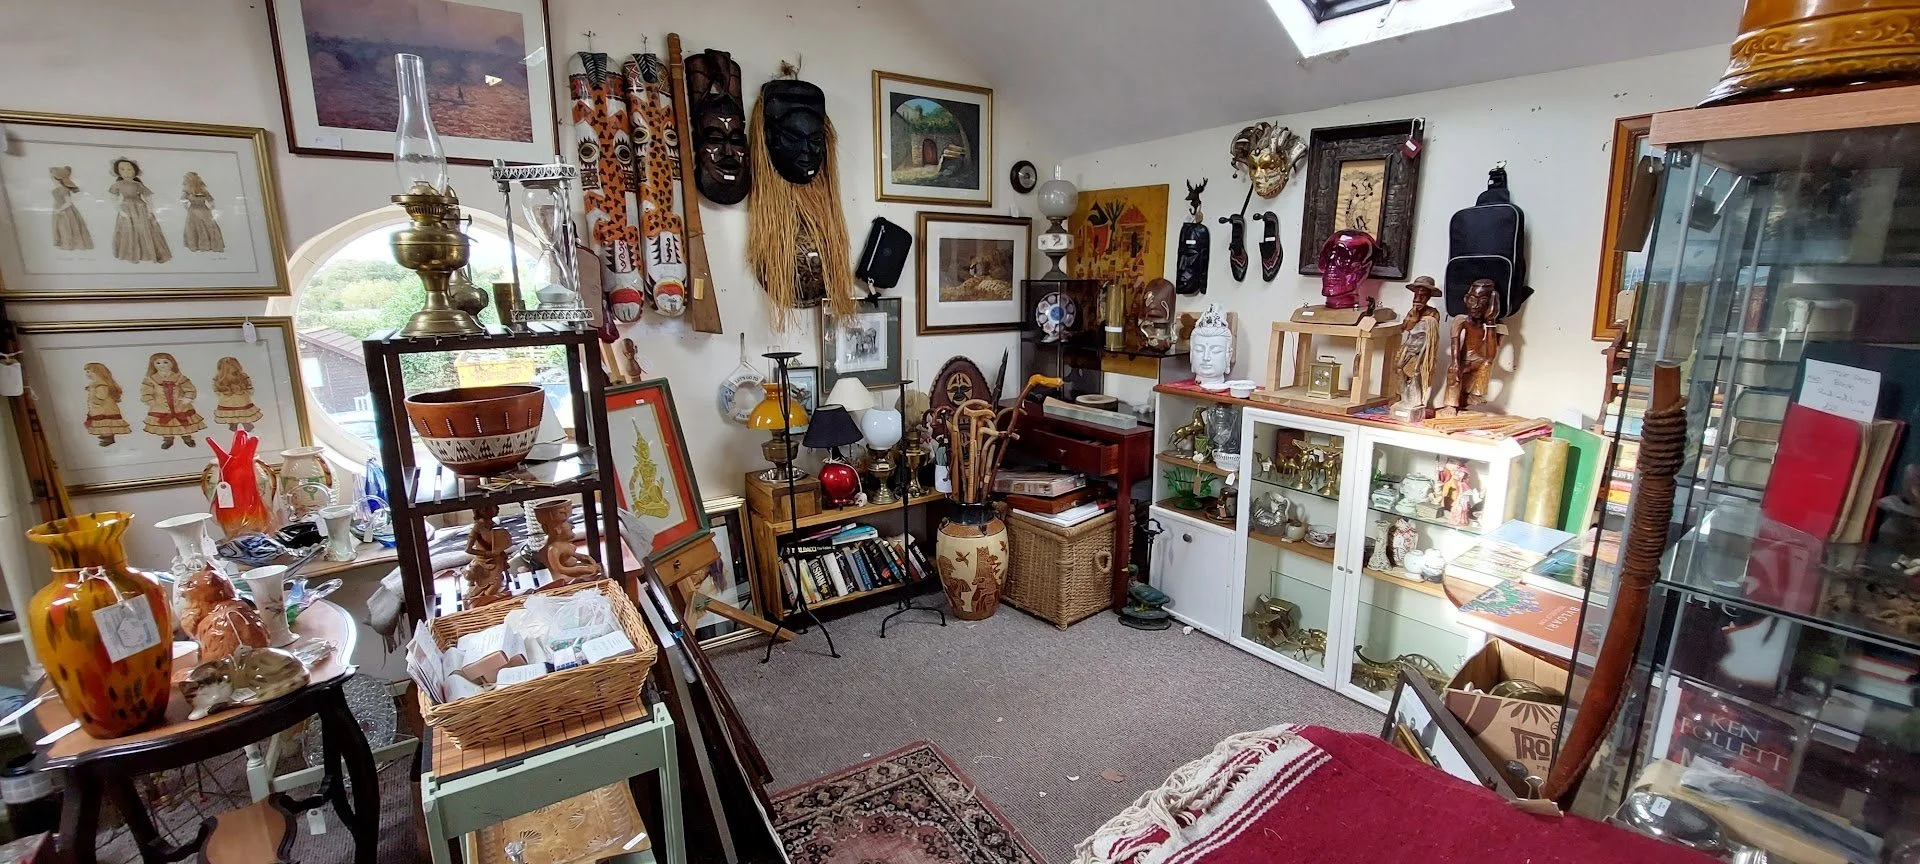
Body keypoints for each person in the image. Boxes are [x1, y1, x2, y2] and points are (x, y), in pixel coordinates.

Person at [109, 157, 171, 264]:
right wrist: (120, 211)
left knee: (144, 229)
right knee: (129, 230)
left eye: (129, 169)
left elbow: (148, 197)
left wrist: (149, 210)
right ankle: (131, 254)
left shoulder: (138, 184)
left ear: (135, 171)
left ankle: (146, 253)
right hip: (126, 209)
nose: (126, 172)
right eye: (122, 169)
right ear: (118, 172)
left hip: (140, 209)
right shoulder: (117, 185)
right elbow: (113, 199)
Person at [140, 352, 205, 448]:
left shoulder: (180, 377)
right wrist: (149, 400)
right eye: (158, 363)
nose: (162, 365)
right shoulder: (150, 380)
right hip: (161, 408)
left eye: (165, 362)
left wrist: (188, 397)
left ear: (172, 363)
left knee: (184, 424)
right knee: (165, 426)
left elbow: (190, 389)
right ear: (153, 365)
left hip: (180, 406)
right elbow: (145, 392)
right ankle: (168, 440)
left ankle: (187, 438)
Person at [82, 362, 131, 446]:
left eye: (88, 372)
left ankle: (109, 438)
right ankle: (105, 435)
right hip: (99, 408)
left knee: (106, 423)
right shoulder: (95, 383)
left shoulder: (101, 384)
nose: (87, 374)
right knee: (103, 424)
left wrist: (94, 398)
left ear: (97, 373)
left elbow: (101, 397)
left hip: (105, 409)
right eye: (86, 372)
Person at [211, 356, 261, 431]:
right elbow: (248, 387)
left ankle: (236, 431)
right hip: (241, 401)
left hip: (227, 402)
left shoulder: (219, 379)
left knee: (232, 419)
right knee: (244, 419)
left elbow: (217, 390)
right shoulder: (242, 376)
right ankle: (247, 431)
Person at [50, 167, 93, 251]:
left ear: (57, 178)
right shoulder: (56, 190)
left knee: (68, 227)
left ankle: (70, 245)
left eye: (52, 177)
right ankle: (64, 244)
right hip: (59, 212)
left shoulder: (64, 189)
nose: (51, 179)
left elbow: (69, 203)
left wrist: (59, 209)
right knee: (61, 229)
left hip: (67, 212)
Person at [181, 171, 224, 253]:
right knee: (203, 226)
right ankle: (203, 244)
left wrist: (187, 207)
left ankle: (201, 245)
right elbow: (211, 201)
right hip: (201, 210)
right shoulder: (192, 191)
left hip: (196, 210)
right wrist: (211, 207)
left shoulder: (200, 191)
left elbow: (183, 201)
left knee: (203, 226)